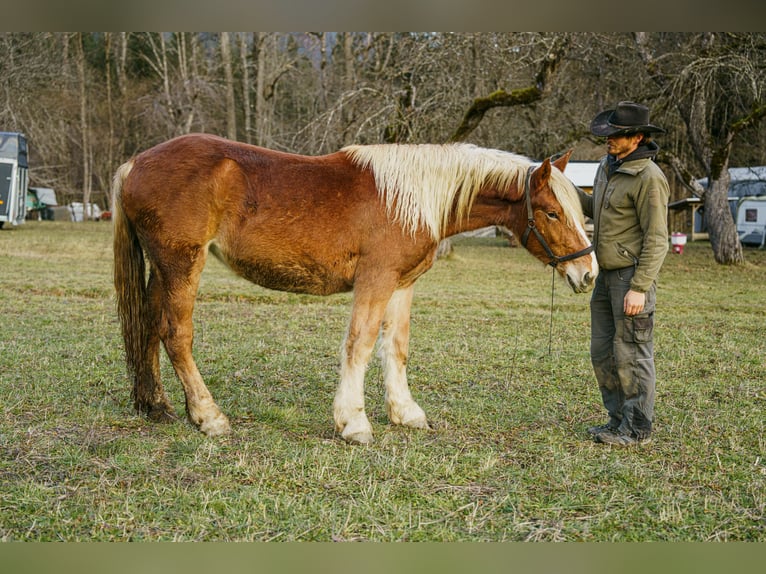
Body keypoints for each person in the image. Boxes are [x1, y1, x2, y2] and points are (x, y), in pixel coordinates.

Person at [576, 101, 669, 447]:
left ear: (638, 137)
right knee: (603, 351)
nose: (609, 141)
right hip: (604, 277)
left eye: (617, 136)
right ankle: (616, 422)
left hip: (630, 280)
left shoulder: (650, 178)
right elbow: (594, 209)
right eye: (608, 135)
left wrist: (639, 287)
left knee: (632, 353)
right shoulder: (606, 167)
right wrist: (563, 188)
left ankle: (637, 429)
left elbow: (658, 239)